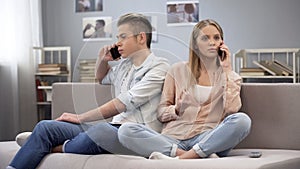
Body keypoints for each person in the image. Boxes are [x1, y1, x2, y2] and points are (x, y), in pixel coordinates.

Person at [7, 13, 170, 169]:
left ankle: (45, 146)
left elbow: (122, 104)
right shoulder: (124, 66)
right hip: (111, 127)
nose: (118, 42)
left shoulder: (159, 67)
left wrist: (79, 117)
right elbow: (101, 77)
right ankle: (34, 146)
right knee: (46, 127)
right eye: (117, 37)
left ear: (141, 37)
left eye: (123, 36)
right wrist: (103, 60)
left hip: (134, 135)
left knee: (101, 131)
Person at [118, 19, 252, 159]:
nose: (212, 42)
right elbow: (161, 113)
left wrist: (227, 71)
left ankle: (180, 159)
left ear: (222, 43)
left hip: (206, 137)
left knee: (242, 121)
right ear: (195, 44)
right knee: (126, 131)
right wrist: (176, 109)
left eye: (216, 38)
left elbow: (232, 109)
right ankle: (195, 156)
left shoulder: (232, 77)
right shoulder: (177, 70)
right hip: (173, 138)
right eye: (205, 38)